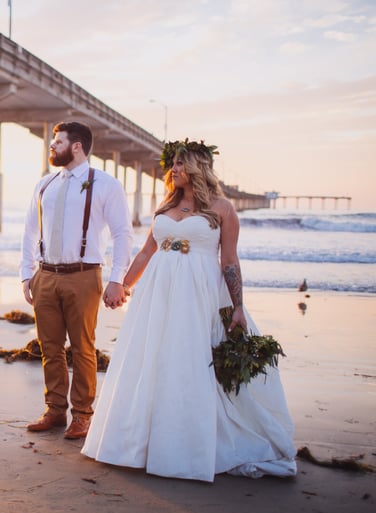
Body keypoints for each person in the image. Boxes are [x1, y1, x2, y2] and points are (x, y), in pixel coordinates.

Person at [81, 139, 297, 481]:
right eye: (173, 164)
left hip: (199, 293)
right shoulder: (165, 206)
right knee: (153, 358)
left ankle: (188, 446)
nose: (174, 169)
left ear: (198, 166)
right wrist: (123, 284)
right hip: (158, 292)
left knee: (191, 359)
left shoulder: (223, 208)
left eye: (181, 164)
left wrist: (238, 306)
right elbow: (145, 253)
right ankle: (140, 443)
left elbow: (229, 260)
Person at [19, 121, 133, 440]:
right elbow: (29, 230)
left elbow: (123, 233)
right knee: (50, 346)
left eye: (58, 141)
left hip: (84, 275)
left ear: (77, 147)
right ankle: (55, 410)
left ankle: (82, 414)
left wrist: (117, 280)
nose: (52, 146)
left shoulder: (106, 184)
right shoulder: (45, 184)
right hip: (46, 274)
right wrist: (27, 274)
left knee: (83, 347)